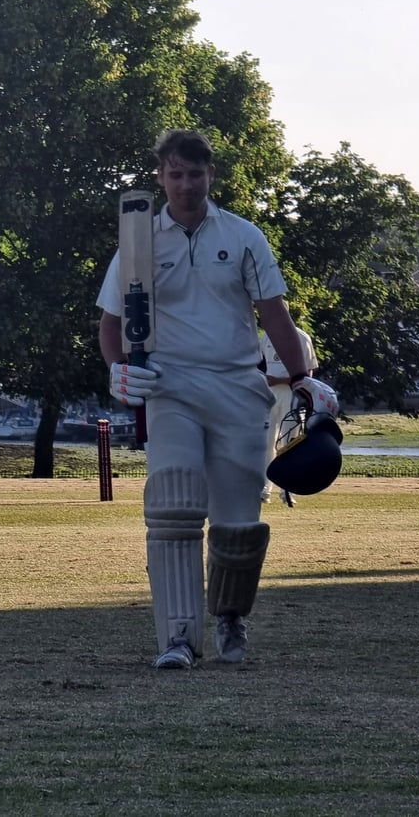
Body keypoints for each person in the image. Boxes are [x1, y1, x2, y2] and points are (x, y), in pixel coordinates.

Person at [96, 129, 323, 670]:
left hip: (238, 388)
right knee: (173, 506)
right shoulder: (139, 242)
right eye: (175, 174)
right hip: (170, 387)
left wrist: (302, 378)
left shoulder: (244, 237)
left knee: (238, 521)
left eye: (195, 174)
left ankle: (229, 617)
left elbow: (275, 315)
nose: (185, 184)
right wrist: (117, 372)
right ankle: (177, 638)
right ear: (161, 177)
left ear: (210, 176)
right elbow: (111, 323)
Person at [260, 323, 318, 507]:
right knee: (267, 442)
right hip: (270, 395)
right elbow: (259, 366)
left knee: (290, 443)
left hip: (292, 395)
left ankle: (287, 491)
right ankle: (263, 490)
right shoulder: (266, 337)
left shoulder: (302, 337)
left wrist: (280, 380)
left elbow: (307, 375)